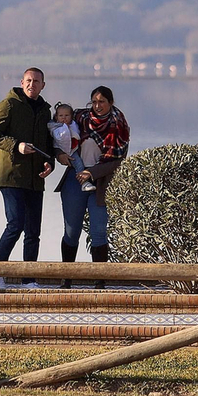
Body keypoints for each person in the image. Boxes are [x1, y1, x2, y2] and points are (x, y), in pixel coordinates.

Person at [0, 67, 55, 278]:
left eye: (36, 81)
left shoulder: (44, 111)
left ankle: (29, 280)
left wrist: (49, 162)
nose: (32, 84)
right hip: (12, 177)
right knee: (15, 225)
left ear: (43, 85)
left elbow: (47, 143)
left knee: (33, 233)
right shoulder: (9, 104)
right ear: (22, 82)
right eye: (29, 81)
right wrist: (17, 145)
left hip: (35, 179)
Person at [54, 85, 130, 271]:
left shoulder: (119, 125)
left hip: (101, 182)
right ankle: (67, 278)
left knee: (98, 232)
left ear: (111, 103)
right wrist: (58, 154)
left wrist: (92, 173)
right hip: (75, 178)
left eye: (102, 102)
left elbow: (118, 161)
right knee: (71, 233)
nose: (97, 106)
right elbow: (57, 136)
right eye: (94, 102)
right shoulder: (80, 119)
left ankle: (99, 281)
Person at [48, 103, 98, 193]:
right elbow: (59, 138)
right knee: (79, 164)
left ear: (71, 116)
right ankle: (84, 183)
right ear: (56, 117)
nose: (64, 118)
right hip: (65, 151)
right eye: (61, 116)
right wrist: (64, 129)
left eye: (67, 115)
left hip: (74, 148)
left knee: (81, 161)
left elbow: (78, 134)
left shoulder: (74, 124)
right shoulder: (55, 127)